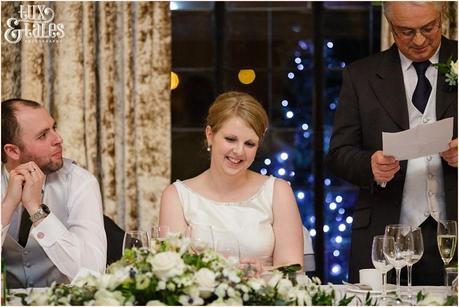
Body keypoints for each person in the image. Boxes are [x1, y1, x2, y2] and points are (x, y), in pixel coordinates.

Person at [326, 1, 457, 285]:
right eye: (407, 32)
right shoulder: (360, 75)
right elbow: (338, 153)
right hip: (387, 238)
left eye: (428, 28)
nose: (420, 40)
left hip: (452, 234)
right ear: (390, 26)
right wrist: (370, 165)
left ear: (442, 17)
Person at [159, 91, 304, 272]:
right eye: (230, 139)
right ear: (210, 135)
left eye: (249, 144)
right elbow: (172, 271)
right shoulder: (176, 196)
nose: (239, 151)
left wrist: (261, 273)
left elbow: (292, 270)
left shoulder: (278, 191)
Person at [1, 98, 107, 288]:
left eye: (54, 127)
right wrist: (7, 206)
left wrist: (36, 211)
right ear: (13, 151)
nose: (58, 139)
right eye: (43, 135)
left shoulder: (80, 182)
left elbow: (92, 273)